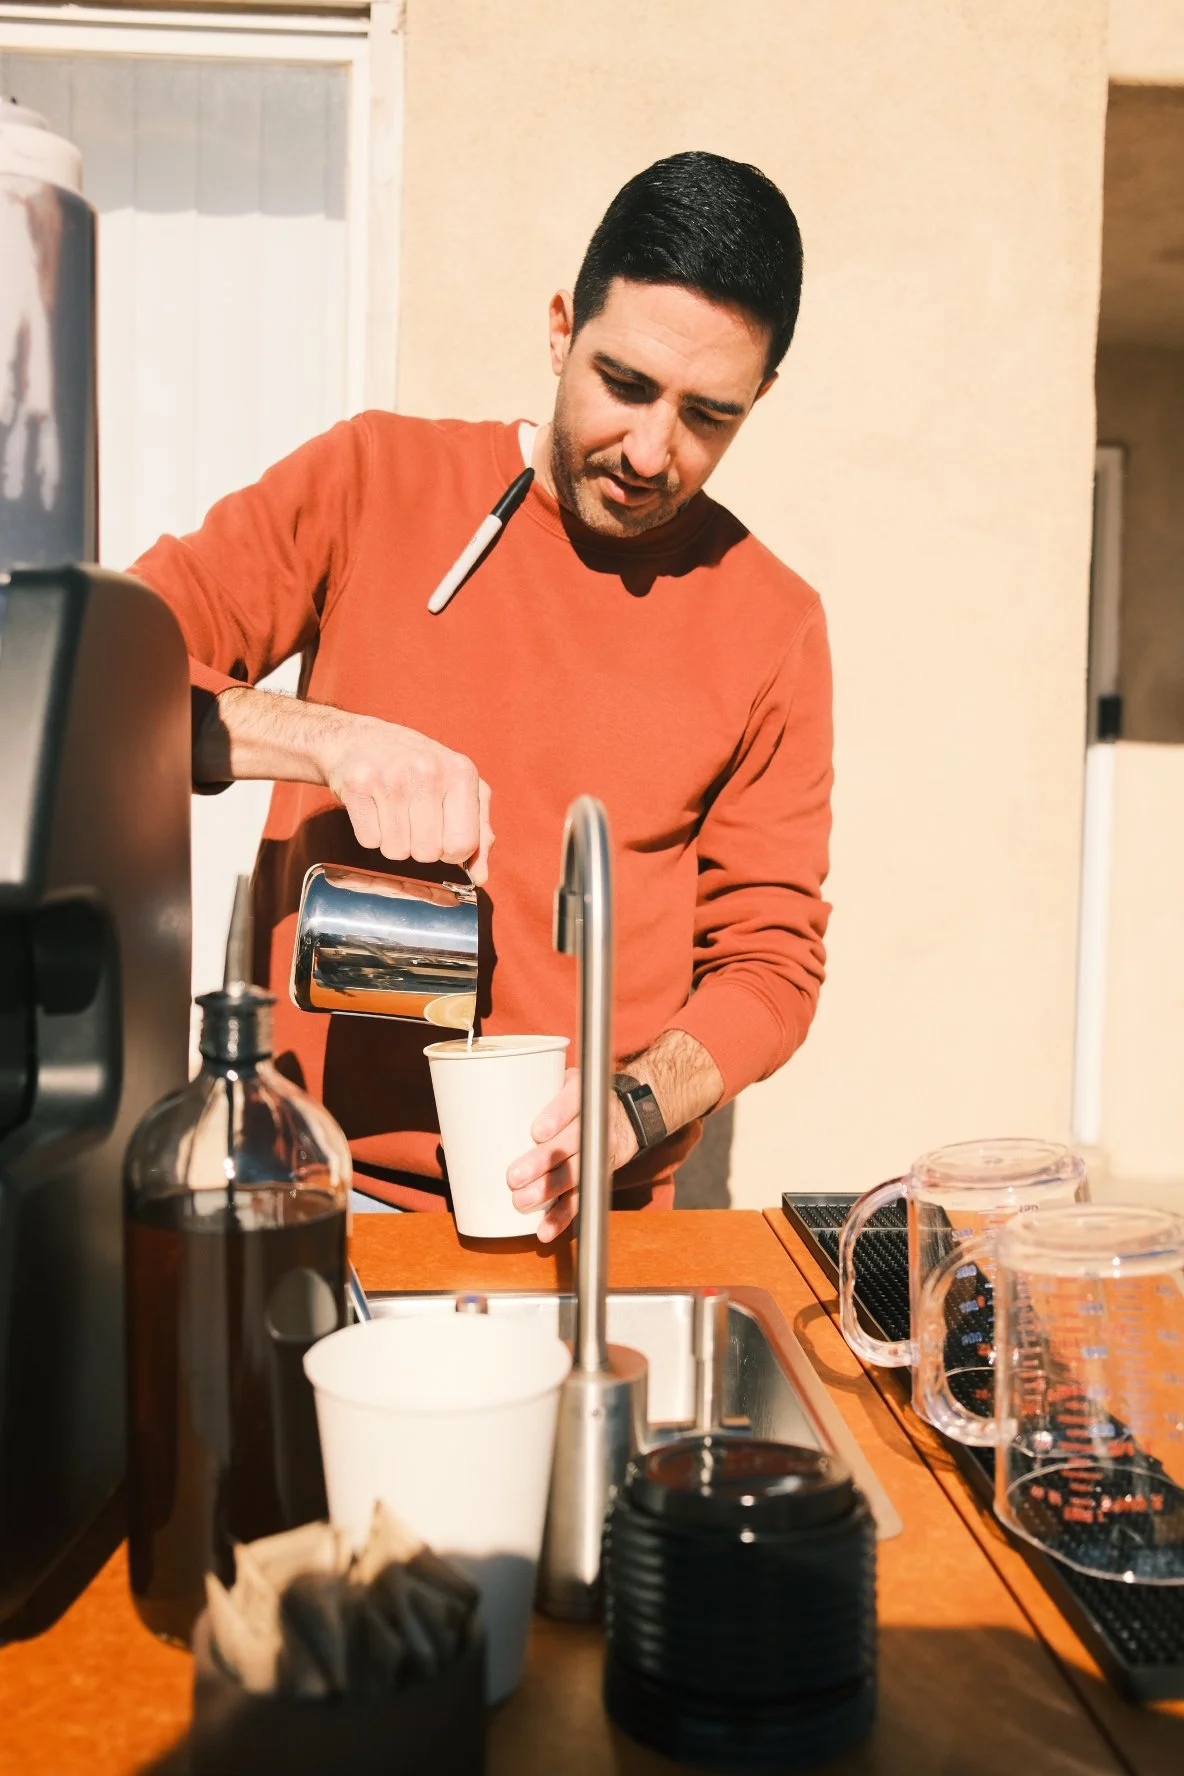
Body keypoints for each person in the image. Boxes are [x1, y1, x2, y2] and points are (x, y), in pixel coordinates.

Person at [132, 150, 833, 1241]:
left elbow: (769, 963)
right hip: (307, 1191)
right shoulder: (371, 482)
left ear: (760, 400)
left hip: (593, 1226)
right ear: (560, 329)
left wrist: (629, 1110)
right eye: (625, 384)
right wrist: (329, 741)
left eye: (707, 416)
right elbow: (99, 679)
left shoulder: (772, 622)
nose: (650, 451)